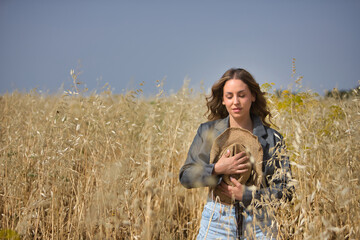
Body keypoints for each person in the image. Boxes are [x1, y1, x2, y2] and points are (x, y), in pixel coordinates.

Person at [179, 68, 294, 239]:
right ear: (223, 100)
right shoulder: (207, 132)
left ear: (253, 96)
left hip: (260, 223)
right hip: (217, 220)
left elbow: (286, 190)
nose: (235, 102)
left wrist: (247, 195)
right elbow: (186, 176)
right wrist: (217, 168)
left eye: (242, 95)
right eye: (229, 96)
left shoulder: (272, 138)